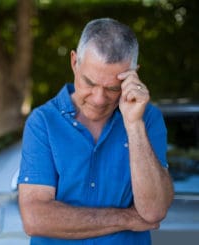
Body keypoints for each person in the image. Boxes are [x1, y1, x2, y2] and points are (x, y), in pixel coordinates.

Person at [17, 18, 174, 245]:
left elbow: (153, 212)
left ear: (133, 75)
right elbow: (36, 219)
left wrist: (134, 125)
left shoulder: (148, 119)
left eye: (112, 88)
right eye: (89, 83)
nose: (99, 99)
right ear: (74, 62)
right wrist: (127, 218)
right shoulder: (43, 122)